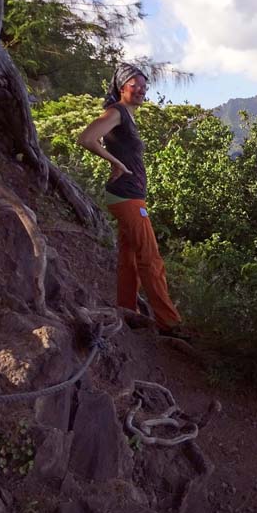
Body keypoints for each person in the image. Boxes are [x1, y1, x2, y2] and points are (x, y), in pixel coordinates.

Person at [78, 63, 184, 339]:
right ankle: (169, 323)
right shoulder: (116, 113)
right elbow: (87, 138)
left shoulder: (127, 115)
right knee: (150, 258)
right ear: (121, 87)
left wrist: (119, 163)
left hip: (128, 195)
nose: (140, 90)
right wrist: (116, 164)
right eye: (134, 85)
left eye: (144, 85)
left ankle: (127, 310)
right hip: (127, 196)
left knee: (130, 257)